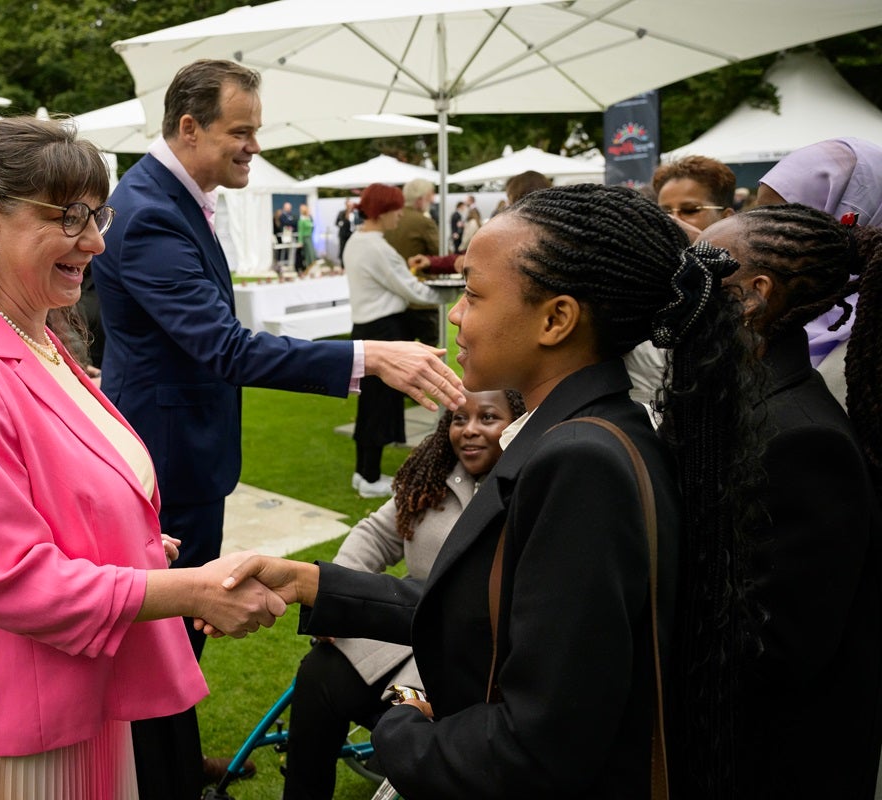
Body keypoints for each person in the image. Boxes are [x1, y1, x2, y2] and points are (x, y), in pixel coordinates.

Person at [216, 183, 767, 799]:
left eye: (474, 295)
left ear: (556, 319)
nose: (455, 315)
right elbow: (495, 608)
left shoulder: (582, 460)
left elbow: (540, 741)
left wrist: (403, 718)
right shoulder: (573, 438)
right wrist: (310, 583)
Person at [0, 117, 286, 800]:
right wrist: (190, 590)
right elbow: (9, 578)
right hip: (6, 732)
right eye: (70, 217)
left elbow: (50, 492)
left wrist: (135, 539)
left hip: (67, 703)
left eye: (98, 215)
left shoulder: (33, 335)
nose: (96, 240)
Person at [89, 59, 464, 797]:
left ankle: (173, 750)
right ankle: (158, 771)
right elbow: (222, 346)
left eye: (255, 131)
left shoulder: (173, 195)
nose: (254, 146)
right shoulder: (149, 210)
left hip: (187, 448)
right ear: (189, 127)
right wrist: (368, 356)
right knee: (167, 623)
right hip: (167, 454)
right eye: (242, 131)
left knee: (181, 628)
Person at [698, 204, 882, 799]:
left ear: (754, 295)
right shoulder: (746, 400)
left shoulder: (803, 437)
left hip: (779, 767)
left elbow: (777, 646)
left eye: (703, 272)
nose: (684, 291)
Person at [284, 389, 525, 800]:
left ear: (518, 425)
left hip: (469, 663)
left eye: (487, 418)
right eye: (458, 419)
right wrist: (339, 599)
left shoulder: (529, 489)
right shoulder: (430, 477)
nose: (468, 431)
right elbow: (375, 535)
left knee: (412, 726)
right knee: (318, 673)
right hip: (401, 634)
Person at [344, 183, 460, 498]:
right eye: (397, 210)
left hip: (366, 328)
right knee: (379, 405)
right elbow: (412, 290)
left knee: (372, 404)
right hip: (384, 330)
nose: (401, 216)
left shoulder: (357, 241)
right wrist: (458, 288)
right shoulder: (376, 248)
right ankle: (368, 478)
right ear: (384, 211)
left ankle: (363, 472)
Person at [754, 137, 882, 407]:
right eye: (761, 218)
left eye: (786, 221)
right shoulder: (767, 301)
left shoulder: (869, 328)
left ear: (848, 217)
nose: (764, 238)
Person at [626, 154, 739, 408]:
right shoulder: (643, 282)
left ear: (726, 216)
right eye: (663, 211)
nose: (673, 220)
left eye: (689, 210)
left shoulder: (743, 286)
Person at [383, 178, 440, 345]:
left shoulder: (391, 219)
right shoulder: (423, 222)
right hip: (421, 298)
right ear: (420, 199)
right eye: (430, 197)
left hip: (395, 298)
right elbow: (440, 253)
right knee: (430, 352)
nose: (432, 201)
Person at [335, 198, 359, 264]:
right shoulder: (341, 213)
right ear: (346, 205)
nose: (349, 206)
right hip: (343, 234)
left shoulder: (355, 213)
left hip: (352, 235)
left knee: (352, 250)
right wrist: (342, 223)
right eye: (348, 205)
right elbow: (337, 223)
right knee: (342, 250)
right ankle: (342, 265)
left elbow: (357, 223)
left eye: (350, 205)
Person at [297, 203, 315, 272]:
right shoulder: (302, 220)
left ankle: (312, 267)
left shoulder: (309, 219)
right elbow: (300, 231)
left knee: (312, 253)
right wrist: (300, 241)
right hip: (305, 238)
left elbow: (312, 227)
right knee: (308, 254)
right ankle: (309, 268)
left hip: (310, 237)